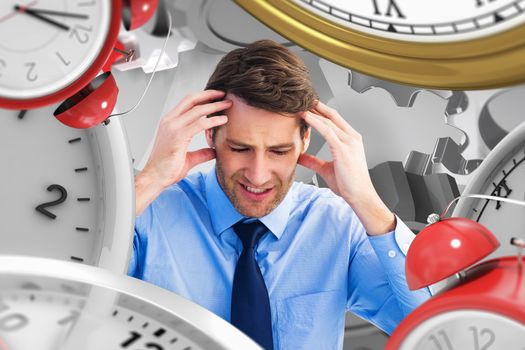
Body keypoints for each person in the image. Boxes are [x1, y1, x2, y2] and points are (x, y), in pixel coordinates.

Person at [129, 39, 431, 349]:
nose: (258, 174)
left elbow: (439, 329)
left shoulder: (336, 223)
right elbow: (79, 295)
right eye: (240, 148)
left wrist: (366, 200)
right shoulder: (149, 214)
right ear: (210, 135)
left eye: (279, 151)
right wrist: (151, 179)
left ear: (305, 140)